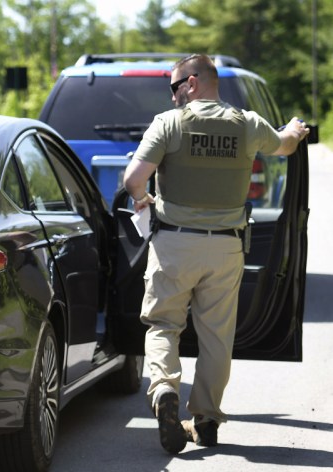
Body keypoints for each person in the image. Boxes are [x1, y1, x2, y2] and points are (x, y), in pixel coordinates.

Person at [123, 53, 309, 455]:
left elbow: (134, 179)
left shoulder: (169, 124)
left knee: (162, 325)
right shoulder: (248, 124)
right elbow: (287, 146)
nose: (172, 97)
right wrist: (293, 128)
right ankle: (206, 421)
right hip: (226, 246)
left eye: (174, 87)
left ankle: (163, 393)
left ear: (192, 83)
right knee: (216, 338)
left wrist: (145, 200)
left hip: (174, 243)